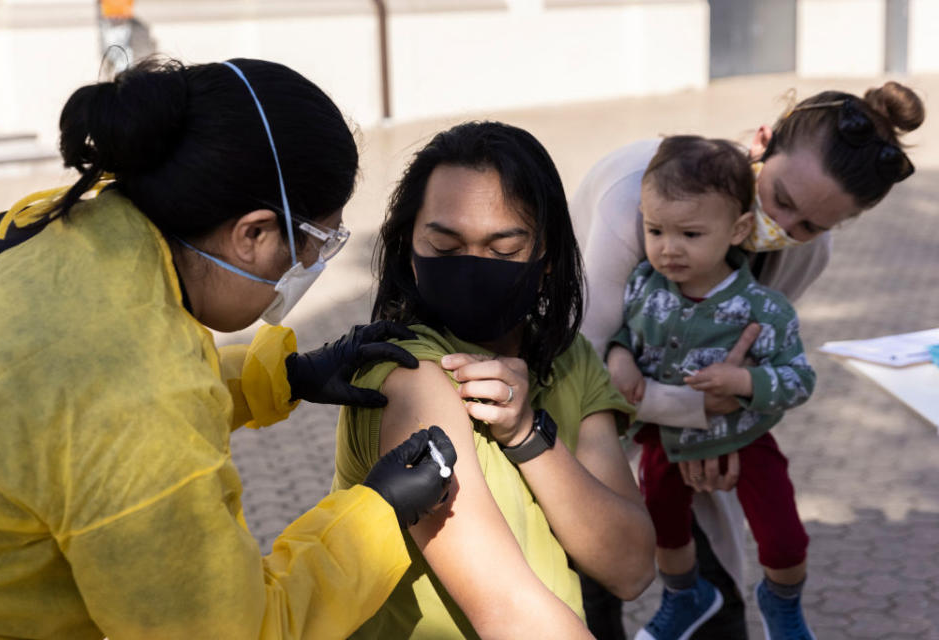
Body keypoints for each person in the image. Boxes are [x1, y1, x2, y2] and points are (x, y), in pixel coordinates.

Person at [0, 58, 458, 639]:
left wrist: (287, 378)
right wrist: (379, 513)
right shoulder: (143, 400)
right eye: (313, 244)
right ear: (253, 233)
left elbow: (60, 405)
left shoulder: (50, 227)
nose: (310, 267)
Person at [572, 81, 924, 638]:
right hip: (583, 394)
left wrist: (718, 429)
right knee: (590, 568)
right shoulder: (634, 197)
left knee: (717, 586)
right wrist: (692, 413)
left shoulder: (810, 252)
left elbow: (760, 360)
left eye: (811, 224)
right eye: (781, 199)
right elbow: (586, 366)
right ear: (761, 143)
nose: (785, 228)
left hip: (691, 418)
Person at [331, 121, 657, 639]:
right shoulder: (407, 375)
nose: (473, 268)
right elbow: (507, 610)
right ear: (408, 251)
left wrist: (527, 434)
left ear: (546, 256)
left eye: (503, 250)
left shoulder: (568, 361)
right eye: (443, 246)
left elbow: (632, 566)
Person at [609, 136, 816, 639]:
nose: (668, 248)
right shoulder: (642, 285)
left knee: (784, 540)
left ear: (739, 229)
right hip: (665, 440)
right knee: (664, 527)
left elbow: (799, 379)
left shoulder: (764, 310)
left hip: (746, 439)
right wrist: (618, 355)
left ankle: (783, 602)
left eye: (690, 233)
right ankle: (686, 594)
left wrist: (745, 381)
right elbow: (625, 333)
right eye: (655, 230)